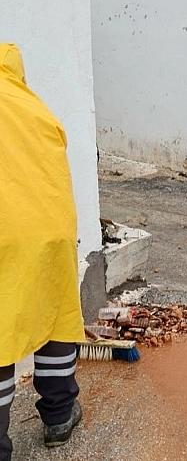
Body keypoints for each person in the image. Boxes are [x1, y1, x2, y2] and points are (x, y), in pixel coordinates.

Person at [0, 43, 85, 460]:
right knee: (55, 314)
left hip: (4, 231)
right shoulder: (34, 106)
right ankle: (58, 417)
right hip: (50, 229)